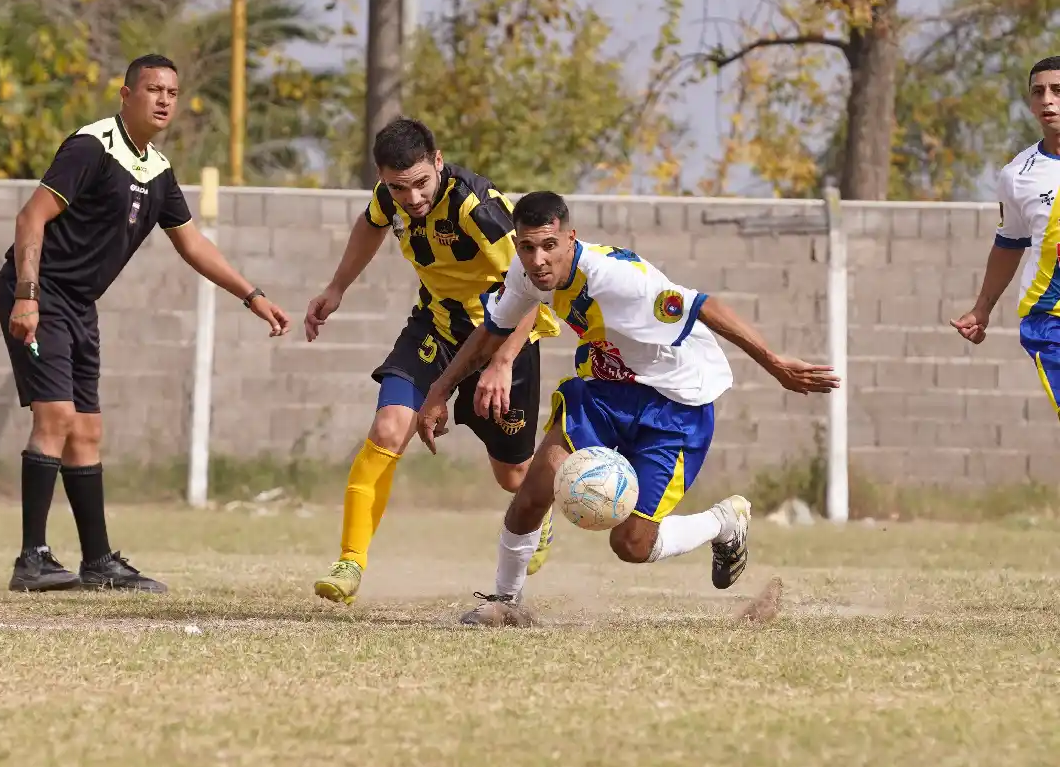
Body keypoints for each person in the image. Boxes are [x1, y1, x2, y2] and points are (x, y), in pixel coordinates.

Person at [416, 191, 840, 627]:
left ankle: (723, 522)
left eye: (549, 245)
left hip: (676, 404)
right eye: (527, 247)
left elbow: (703, 305)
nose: (538, 260)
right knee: (535, 489)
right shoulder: (527, 275)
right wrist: (438, 391)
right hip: (606, 392)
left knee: (632, 545)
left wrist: (774, 363)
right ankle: (506, 600)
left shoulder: (618, 280)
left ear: (570, 239)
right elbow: (491, 331)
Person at [0, 53, 292, 594]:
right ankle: (31, 558)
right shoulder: (92, 147)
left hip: (80, 304)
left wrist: (251, 295)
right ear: (126, 94)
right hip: (40, 293)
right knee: (56, 416)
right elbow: (30, 216)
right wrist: (26, 294)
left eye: (172, 93)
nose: (163, 100)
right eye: (153, 89)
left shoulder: (156, 170)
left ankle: (97, 561)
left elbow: (193, 244)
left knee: (88, 430)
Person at [304, 117, 562, 605]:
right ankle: (350, 562)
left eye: (421, 183)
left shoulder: (478, 209)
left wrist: (503, 361)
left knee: (512, 475)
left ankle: (540, 507)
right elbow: (370, 225)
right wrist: (336, 288)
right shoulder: (389, 197)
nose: (413, 197)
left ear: (438, 161)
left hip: (500, 335)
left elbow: (531, 283)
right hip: (437, 327)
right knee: (387, 429)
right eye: (398, 188)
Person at [953, 55, 1060, 413]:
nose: (1047, 100)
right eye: (1038, 92)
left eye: (1058, 90)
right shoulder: (1018, 175)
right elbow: (1009, 244)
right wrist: (982, 308)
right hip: (1051, 321)